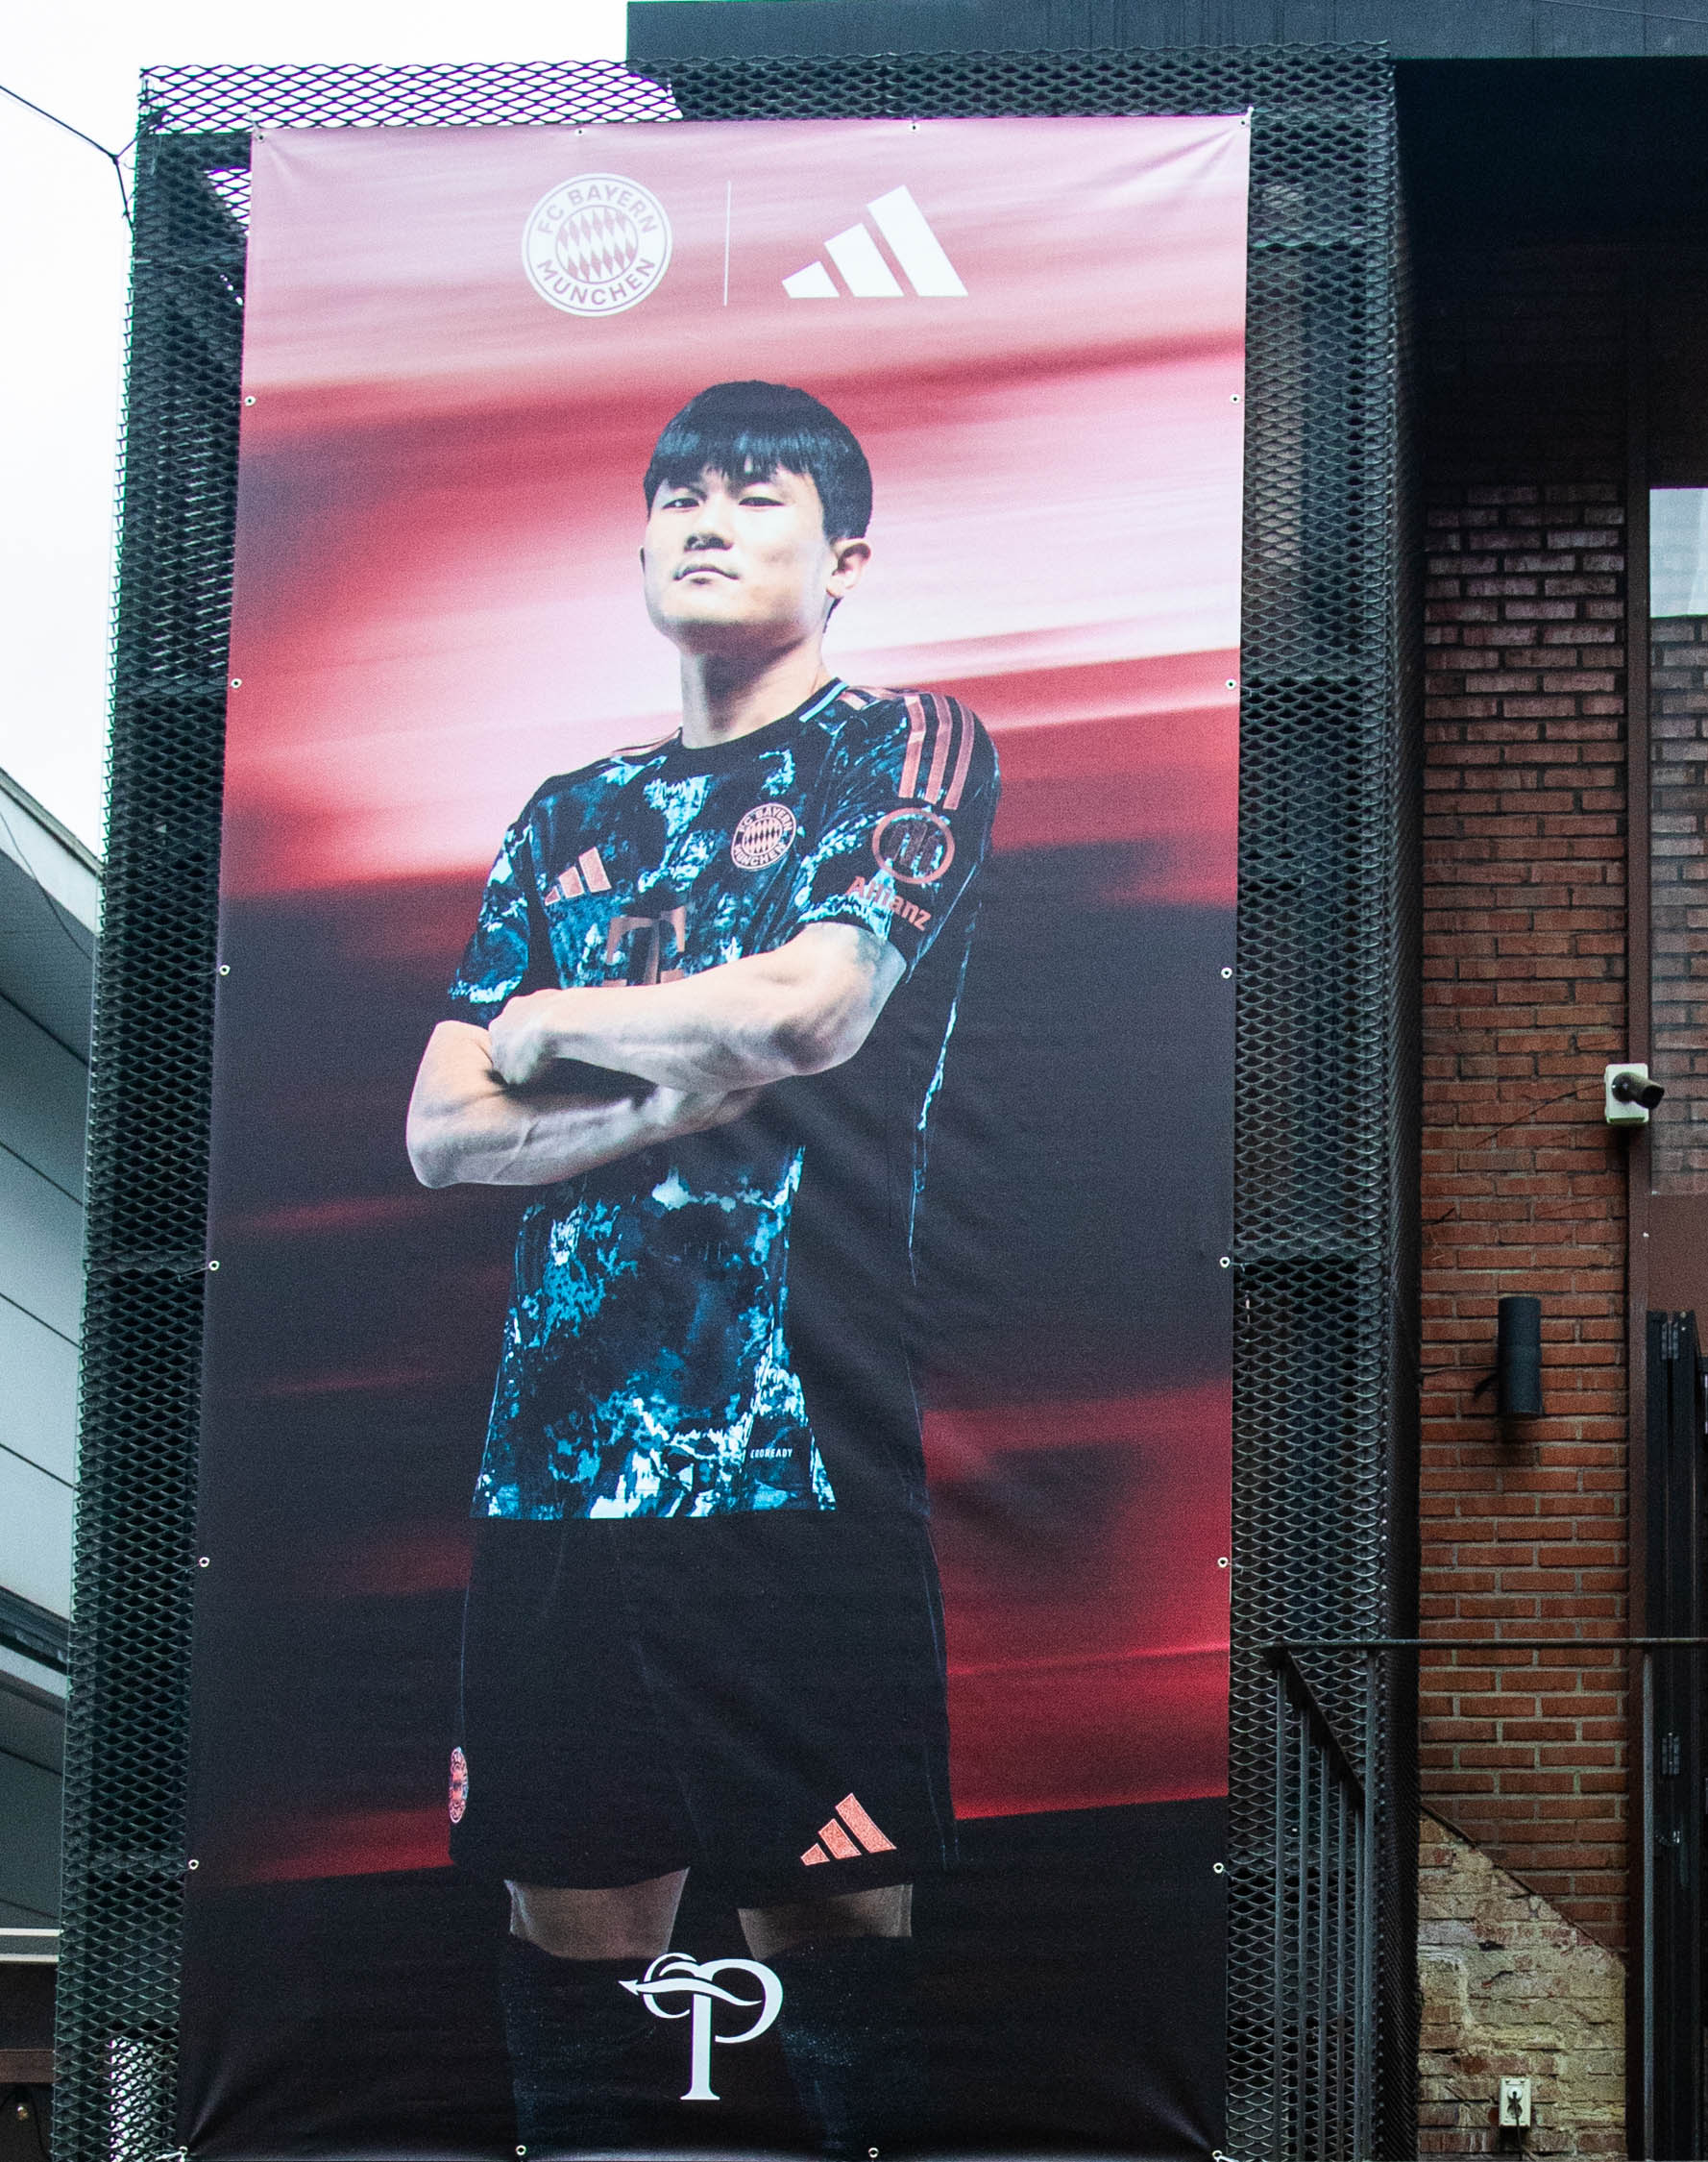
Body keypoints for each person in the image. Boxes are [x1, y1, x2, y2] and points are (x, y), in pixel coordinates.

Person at [405, 380, 1000, 2158]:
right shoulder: (565, 812)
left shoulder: (906, 748)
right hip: (555, 1457)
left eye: (756, 493)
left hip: (793, 1432)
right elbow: (437, 1131)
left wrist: (552, 1025)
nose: (705, 518)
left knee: (828, 1917)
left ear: (849, 558)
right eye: (676, 492)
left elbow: (811, 1007)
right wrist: (683, 1082)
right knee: (571, 1922)